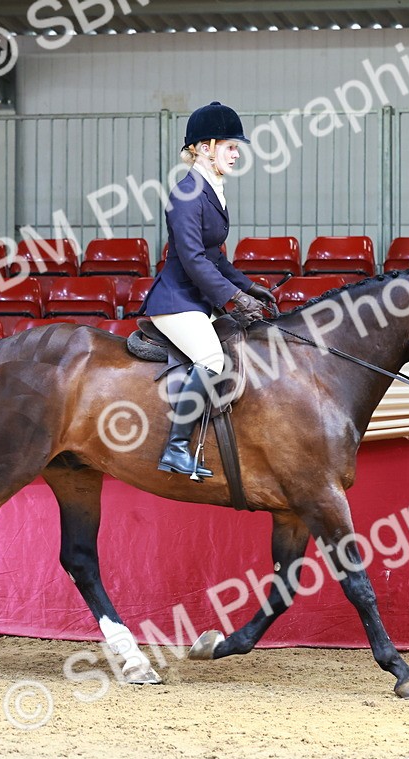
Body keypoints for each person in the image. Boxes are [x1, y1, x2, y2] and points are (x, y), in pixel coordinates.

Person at [139, 101, 278, 480]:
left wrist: (251, 287)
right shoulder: (187, 193)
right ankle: (176, 448)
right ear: (204, 147)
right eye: (230, 146)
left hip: (198, 297)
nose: (236, 153)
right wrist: (233, 299)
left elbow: (215, 255)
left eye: (236, 147)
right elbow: (193, 259)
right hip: (177, 301)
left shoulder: (210, 189)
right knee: (212, 360)